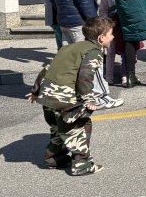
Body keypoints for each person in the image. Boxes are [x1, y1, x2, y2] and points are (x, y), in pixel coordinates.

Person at [26, 15, 116, 177]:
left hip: (47, 97)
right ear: (101, 38)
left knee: (58, 126)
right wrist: (89, 100)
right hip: (64, 98)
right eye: (111, 34)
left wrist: (35, 91)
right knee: (80, 125)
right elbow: (85, 76)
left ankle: (54, 158)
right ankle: (81, 164)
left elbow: (47, 69)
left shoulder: (68, 48)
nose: (113, 36)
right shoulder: (94, 52)